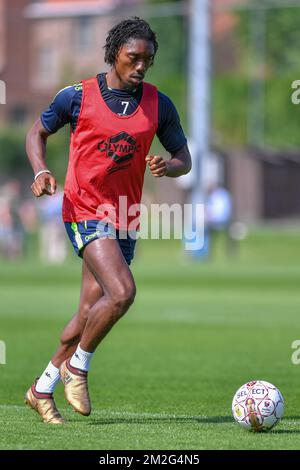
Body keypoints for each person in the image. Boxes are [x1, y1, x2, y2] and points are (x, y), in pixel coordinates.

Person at [25, 17, 191, 424]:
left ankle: (40, 388)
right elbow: (36, 132)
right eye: (133, 58)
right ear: (114, 53)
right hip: (84, 209)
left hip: (125, 217)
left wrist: (167, 166)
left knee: (87, 312)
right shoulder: (76, 96)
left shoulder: (159, 104)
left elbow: (185, 160)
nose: (140, 67)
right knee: (121, 293)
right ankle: (77, 369)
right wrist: (40, 170)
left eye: (147, 61)